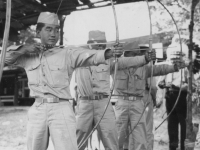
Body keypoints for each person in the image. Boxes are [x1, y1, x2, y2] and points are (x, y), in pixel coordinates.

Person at [4, 12, 124, 150]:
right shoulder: (27, 55)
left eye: (56, 30)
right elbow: (4, 58)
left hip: (61, 108)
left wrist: (110, 53)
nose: (53, 34)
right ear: (38, 32)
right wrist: (24, 49)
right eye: (48, 29)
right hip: (38, 108)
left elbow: (91, 56)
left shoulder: (67, 53)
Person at [75, 30, 155, 150]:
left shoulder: (109, 60)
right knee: (79, 140)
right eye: (98, 45)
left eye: (103, 45)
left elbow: (127, 62)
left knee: (111, 140)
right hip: (85, 104)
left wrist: (145, 58)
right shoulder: (79, 58)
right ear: (89, 44)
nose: (101, 48)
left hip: (103, 104)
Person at [113, 43, 188, 150]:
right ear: (125, 54)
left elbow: (160, 69)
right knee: (119, 136)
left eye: (135, 54)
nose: (135, 56)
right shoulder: (116, 66)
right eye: (131, 54)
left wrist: (174, 67)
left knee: (140, 138)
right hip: (122, 104)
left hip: (137, 104)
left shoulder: (143, 67)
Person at [158, 35, 195, 150]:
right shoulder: (167, 68)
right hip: (170, 98)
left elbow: (191, 85)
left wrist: (183, 87)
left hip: (182, 98)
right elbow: (160, 83)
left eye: (177, 56)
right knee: (171, 124)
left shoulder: (186, 70)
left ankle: (184, 147)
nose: (175, 58)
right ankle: (172, 146)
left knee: (183, 123)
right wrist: (166, 85)